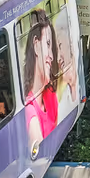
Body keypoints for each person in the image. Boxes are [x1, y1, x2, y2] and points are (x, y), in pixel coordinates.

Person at [24, 9, 59, 153]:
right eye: (48, 44)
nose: (51, 56)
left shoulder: (50, 95)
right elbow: (40, 157)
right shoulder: (29, 110)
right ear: (36, 45)